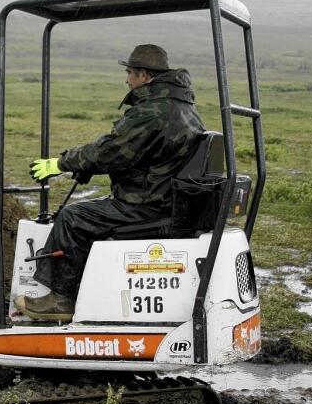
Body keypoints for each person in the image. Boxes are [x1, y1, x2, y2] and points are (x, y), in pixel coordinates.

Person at [20, 44, 206, 320]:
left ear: (144, 75)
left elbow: (111, 150)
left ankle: (60, 301)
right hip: (167, 199)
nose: (127, 79)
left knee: (73, 218)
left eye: (130, 73)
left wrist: (60, 163)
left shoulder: (153, 112)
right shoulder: (183, 108)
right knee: (85, 213)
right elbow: (141, 157)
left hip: (148, 205)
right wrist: (90, 167)